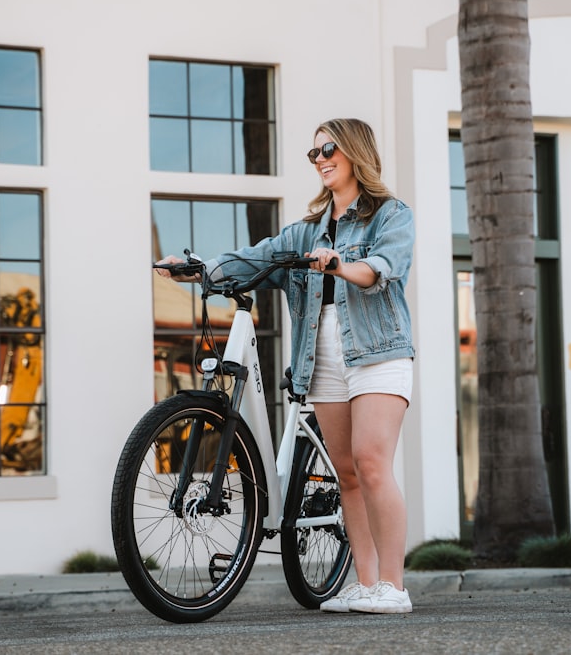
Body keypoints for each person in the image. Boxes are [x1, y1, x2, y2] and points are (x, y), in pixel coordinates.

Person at [155, 118, 415, 614]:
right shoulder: (304, 231)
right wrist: (199, 270)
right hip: (322, 357)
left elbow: (382, 269)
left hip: (378, 353)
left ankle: (394, 586)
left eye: (328, 148)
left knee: (371, 462)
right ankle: (363, 583)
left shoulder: (390, 216)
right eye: (313, 153)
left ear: (355, 151)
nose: (320, 159)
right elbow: (253, 260)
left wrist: (337, 264)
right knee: (347, 474)